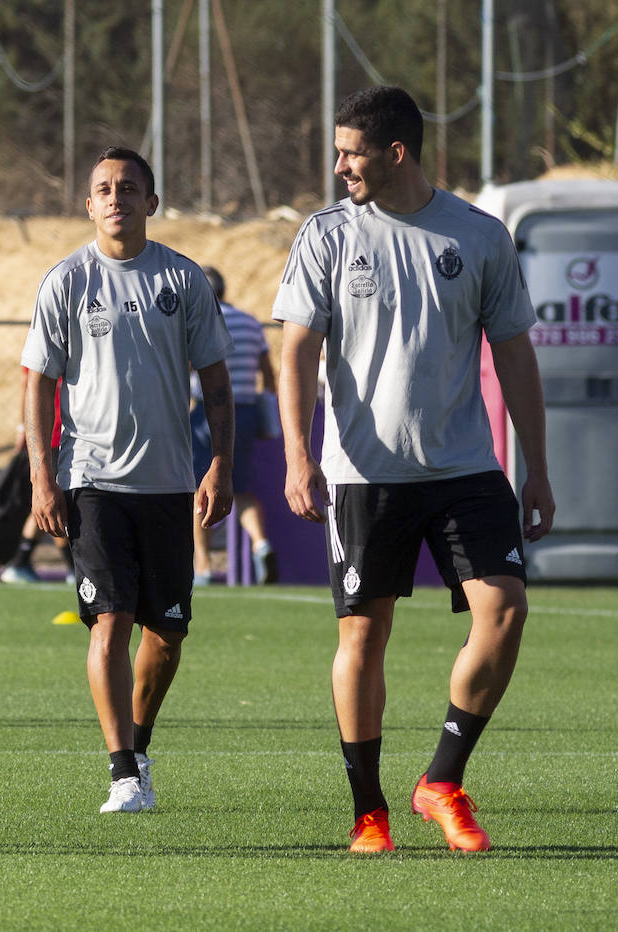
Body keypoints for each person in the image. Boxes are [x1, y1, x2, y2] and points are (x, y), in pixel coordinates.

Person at [274, 85, 554, 854]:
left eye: (352, 152)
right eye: (338, 151)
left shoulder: (480, 236)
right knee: (364, 634)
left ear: (396, 151)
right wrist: (299, 454)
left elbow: (516, 354)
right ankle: (369, 813)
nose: (339, 166)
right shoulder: (328, 234)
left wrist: (535, 466)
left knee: (505, 612)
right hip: (365, 474)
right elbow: (294, 349)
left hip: (466, 467)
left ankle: (442, 780)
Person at [23, 146, 234, 814]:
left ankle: (137, 746)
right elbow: (38, 386)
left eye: (129, 188)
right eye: (103, 189)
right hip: (92, 480)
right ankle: (121, 771)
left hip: (169, 485)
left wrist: (220, 465)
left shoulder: (184, 280)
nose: (115, 198)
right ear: (89, 204)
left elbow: (220, 385)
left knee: (166, 636)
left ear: (152, 201)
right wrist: (42, 473)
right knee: (109, 621)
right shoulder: (65, 282)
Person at [190, 265, 278, 585]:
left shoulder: (201, 321)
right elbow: (268, 373)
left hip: (208, 414)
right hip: (247, 410)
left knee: (200, 488)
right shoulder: (252, 323)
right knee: (240, 488)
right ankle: (261, 544)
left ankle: (203, 566)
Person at [0, 368, 76, 585]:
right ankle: (19, 562)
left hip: (67, 435)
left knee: (60, 504)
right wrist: (22, 429)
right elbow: (28, 385)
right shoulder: (45, 341)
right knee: (52, 502)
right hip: (53, 437)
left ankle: (71, 569)